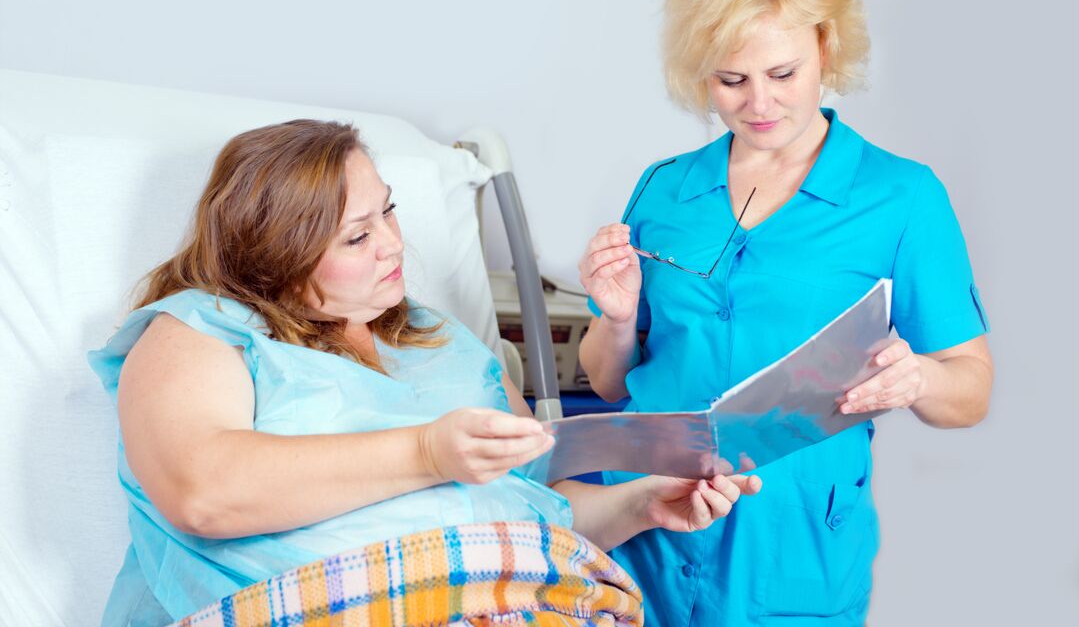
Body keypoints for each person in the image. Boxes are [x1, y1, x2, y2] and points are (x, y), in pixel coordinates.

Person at [89, 119, 762, 626]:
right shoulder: (200, 330)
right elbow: (202, 493)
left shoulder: (442, 342)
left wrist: (641, 504)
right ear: (277, 257)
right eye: (357, 236)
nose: (392, 244)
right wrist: (427, 452)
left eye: (387, 210)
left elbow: (535, 507)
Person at [577, 0, 993, 626]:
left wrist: (918, 379)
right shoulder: (664, 189)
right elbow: (607, 382)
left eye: (782, 75)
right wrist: (617, 322)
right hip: (645, 523)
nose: (759, 105)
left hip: (791, 541)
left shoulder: (902, 197)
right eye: (730, 81)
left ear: (826, 47)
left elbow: (971, 390)